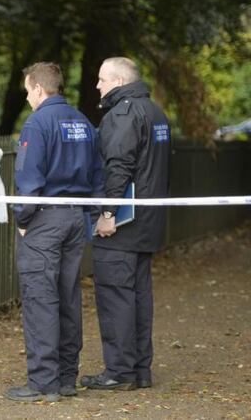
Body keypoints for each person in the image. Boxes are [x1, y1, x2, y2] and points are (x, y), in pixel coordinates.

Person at [7, 62, 103, 402]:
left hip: (46, 221)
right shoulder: (83, 123)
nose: (28, 99)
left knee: (40, 299)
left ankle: (42, 383)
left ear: (37, 88)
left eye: (28, 92)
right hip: (77, 219)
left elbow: (29, 179)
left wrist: (22, 220)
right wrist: (92, 214)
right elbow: (97, 173)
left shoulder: (38, 123)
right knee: (68, 297)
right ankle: (65, 377)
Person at [81, 57, 170, 391]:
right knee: (139, 297)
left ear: (118, 81)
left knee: (116, 296)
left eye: (102, 80)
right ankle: (140, 369)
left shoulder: (122, 114)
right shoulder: (156, 113)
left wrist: (107, 214)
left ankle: (119, 372)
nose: (97, 86)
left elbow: (119, 166)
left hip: (123, 226)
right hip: (147, 224)